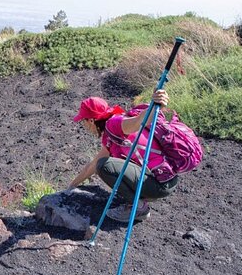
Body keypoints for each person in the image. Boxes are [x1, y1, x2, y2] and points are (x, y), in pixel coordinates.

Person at [68, 89, 179, 222]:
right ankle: (141, 198)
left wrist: (155, 106)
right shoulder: (109, 136)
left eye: (83, 121)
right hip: (164, 180)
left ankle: (139, 208)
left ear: (91, 121)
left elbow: (138, 122)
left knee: (105, 166)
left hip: (160, 184)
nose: (83, 125)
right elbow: (92, 165)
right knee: (102, 164)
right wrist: (72, 186)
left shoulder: (114, 124)